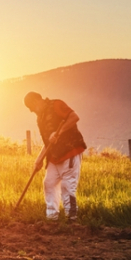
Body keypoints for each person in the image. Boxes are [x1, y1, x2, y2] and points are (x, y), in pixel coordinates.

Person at [24, 92, 87, 221]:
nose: (31, 111)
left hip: (70, 150)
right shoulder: (40, 118)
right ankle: (52, 218)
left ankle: (71, 217)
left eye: (31, 107)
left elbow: (74, 117)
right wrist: (39, 159)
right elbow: (48, 142)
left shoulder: (56, 104)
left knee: (67, 185)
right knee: (49, 183)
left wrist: (59, 132)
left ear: (37, 101)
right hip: (54, 155)